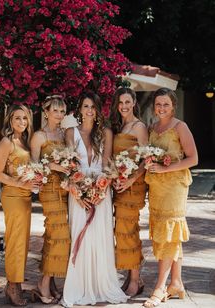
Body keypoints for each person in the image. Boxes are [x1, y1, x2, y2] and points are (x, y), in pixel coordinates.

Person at [61, 92, 129, 306]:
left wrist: (100, 191)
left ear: (98, 110)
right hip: (78, 193)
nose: (89, 110)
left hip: (101, 193)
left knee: (99, 238)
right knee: (81, 237)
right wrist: (78, 193)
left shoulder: (106, 133)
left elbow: (108, 166)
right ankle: (80, 286)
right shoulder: (70, 132)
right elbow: (69, 167)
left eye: (93, 106)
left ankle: (101, 284)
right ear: (79, 109)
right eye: (85, 106)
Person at [143, 88, 198, 307]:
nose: (161, 108)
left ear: (173, 105)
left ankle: (159, 288)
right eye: (158, 104)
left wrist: (166, 169)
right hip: (156, 187)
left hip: (174, 186)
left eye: (165, 104)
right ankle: (175, 283)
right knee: (166, 233)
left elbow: (193, 158)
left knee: (169, 232)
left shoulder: (180, 126)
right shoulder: (153, 127)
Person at [0, 104, 36, 306]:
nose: (21, 122)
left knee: (23, 243)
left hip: (26, 196)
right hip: (13, 196)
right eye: (17, 118)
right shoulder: (6, 142)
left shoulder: (25, 141)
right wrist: (19, 183)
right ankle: (12, 286)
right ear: (10, 120)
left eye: (24, 118)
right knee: (15, 242)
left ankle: (16, 283)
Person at [30, 95, 70, 304]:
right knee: (58, 233)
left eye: (62, 111)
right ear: (46, 112)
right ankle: (43, 284)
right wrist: (53, 166)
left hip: (65, 189)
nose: (60, 115)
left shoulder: (65, 134)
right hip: (49, 189)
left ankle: (50, 282)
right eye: (55, 110)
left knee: (53, 235)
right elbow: (34, 165)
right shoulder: (39, 136)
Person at [110, 87, 148, 297]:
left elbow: (146, 159)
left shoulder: (139, 126)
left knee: (128, 230)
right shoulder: (120, 126)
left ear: (134, 102)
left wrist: (131, 179)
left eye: (127, 102)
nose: (123, 106)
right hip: (120, 185)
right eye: (120, 102)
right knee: (122, 230)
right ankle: (130, 276)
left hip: (133, 186)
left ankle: (135, 279)